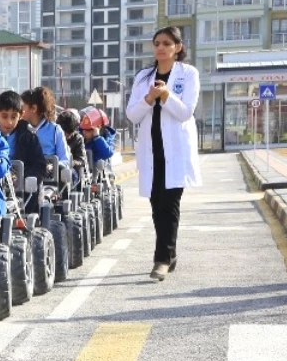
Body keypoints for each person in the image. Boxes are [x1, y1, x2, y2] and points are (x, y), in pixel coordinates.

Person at [126, 25, 200, 280]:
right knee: (157, 205)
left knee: (169, 204)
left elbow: (185, 112)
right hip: (151, 151)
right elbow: (132, 114)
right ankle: (171, 253)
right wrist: (149, 98)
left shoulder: (188, 74)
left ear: (177, 48)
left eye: (167, 43)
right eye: (157, 42)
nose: (160, 47)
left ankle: (161, 260)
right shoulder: (143, 77)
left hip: (176, 152)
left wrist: (166, 95)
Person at [0, 89, 47, 211]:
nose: (9, 122)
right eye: (4, 116)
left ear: (21, 115)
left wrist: (22, 178)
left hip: (23, 193)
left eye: (14, 117)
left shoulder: (29, 137)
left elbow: (39, 165)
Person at [20, 86, 70, 170]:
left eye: (22, 107)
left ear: (34, 108)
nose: (19, 110)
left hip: (49, 179)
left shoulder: (55, 130)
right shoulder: (19, 129)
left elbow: (65, 160)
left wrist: (53, 167)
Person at [79, 107, 117, 172]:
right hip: (83, 171)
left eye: (88, 130)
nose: (84, 132)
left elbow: (108, 153)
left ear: (97, 129)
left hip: (100, 172)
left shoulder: (107, 136)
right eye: (82, 129)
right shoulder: (79, 135)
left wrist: (97, 138)